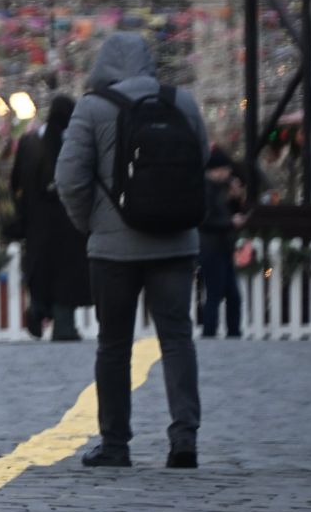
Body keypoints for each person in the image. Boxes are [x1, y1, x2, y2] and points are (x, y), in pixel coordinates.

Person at [55, 31, 209, 469]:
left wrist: (93, 224)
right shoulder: (182, 103)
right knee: (178, 339)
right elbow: (198, 162)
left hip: (113, 249)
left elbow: (69, 178)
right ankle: (184, 440)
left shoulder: (92, 107)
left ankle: (115, 444)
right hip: (176, 243)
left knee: (114, 344)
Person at [10, 94, 90, 341]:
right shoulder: (73, 142)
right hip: (68, 223)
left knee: (41, 270)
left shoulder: (28, 142)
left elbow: (15, 183)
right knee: (65, 276)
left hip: (36, 224)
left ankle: (39, 308)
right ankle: (63, 324)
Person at [198, 148, 246, 338]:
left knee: (233, 295)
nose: (228, 174)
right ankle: (210, 333)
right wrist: (230, 222)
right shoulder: (205, 188)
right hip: (211, 248)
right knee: (215, 294)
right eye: (225, 169)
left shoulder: (222, 188)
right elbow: (205, 220)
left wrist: (235, 199)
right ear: (215, 170)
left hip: (224, 246)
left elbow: (230, 210)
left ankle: (233, 332)